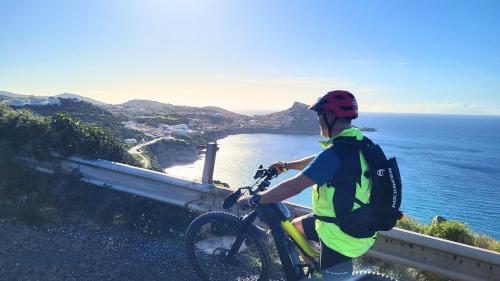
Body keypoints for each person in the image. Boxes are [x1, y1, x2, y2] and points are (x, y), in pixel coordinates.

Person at [237, 90, 376, 278]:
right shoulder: (358, 142)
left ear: (329, 116)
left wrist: (256, 199)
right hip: (358, 220)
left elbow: (293, 187)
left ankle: (326, 270)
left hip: (341, 234)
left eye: (319, 116)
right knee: (296, 226)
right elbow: (318, 161)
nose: (318, 121)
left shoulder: (336, 153)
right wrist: (286, 166)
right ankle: (317, 267)